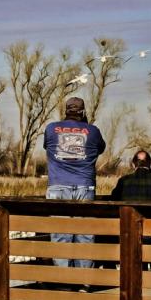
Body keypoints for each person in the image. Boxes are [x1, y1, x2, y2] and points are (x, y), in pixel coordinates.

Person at [43, 97, 105, 268]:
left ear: (66, 110)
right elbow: (100, 148)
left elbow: (47, 147)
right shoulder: (93, 131)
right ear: (83, 111)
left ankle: (64, 280)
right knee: (85, 235)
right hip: (84, 186)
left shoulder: (51, 128)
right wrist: (84, 125)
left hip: (57, 186)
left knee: (60, 235)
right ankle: (84, 282)